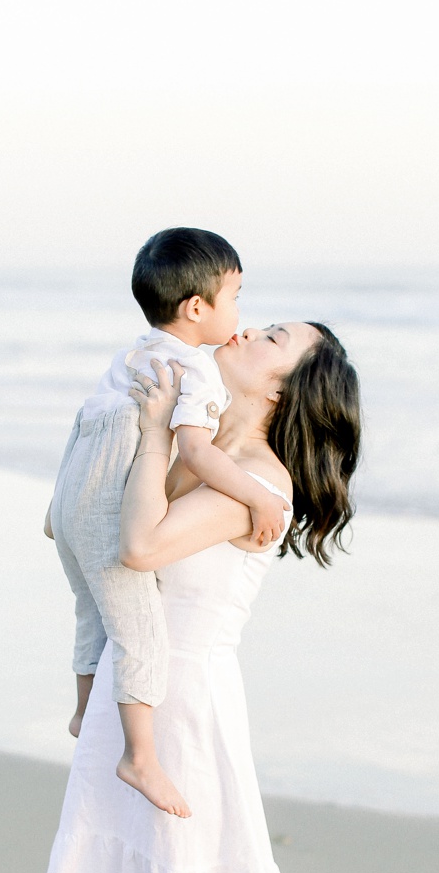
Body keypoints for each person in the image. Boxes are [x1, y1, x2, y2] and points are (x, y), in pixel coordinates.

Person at [13, 318, 361, 873]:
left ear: (284, 390)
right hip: (136, 681)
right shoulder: (205, 447)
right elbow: (96, 539)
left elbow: (140, 545)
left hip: (186, 707)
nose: (247, 328)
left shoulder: (258, 480)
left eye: (273, 338)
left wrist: (166, 433)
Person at [49, 227, 288, 820]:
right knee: (137, 633)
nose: (243, 318)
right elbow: (199, 454)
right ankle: (141, 756)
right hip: (110, 511)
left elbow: (91, 424)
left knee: (89, 616)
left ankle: (83, 711)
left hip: (73, 494)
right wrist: (259, 499)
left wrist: (59, 506)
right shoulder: (197, 374)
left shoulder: (134, 352)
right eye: (236, 297)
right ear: (197, 308)